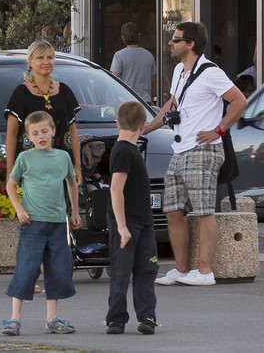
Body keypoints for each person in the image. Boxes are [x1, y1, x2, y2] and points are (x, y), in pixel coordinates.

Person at [144, 20, 248, 287]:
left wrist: (219, 130)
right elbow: (172, 103)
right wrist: (147, 127)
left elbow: (239, 100)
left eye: (175, 39)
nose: (170, 43)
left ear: (190, 44)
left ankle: (204, 272)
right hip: (179, 149)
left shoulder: (211, 72)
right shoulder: (179, 70)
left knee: (203, 212)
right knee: (173, 211)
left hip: (202, 150)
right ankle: (180, 270)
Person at [2, 111, 81, 336]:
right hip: (32, 223)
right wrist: (19, 208)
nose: (41, 136)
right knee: (26, 268)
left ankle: (52, 318)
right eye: (35, 133)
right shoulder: (25, 159)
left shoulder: (62, 157)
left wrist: (74, 211)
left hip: (57, 223)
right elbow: (11, 185)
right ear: (28, 136)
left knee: (56, 270)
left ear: (53, 131)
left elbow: (72, 184)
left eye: (45, 131)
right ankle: (14, 318)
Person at [106, 99, 158, 335]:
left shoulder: (128, 149)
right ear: (143, 125)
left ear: (117, 123)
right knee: (122, 269)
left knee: (146, 268)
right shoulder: (124, 151)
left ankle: (147, 316)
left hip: (144, 221)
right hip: (127, 223)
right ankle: (116, 318)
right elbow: (116, 189)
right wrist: (122, 226)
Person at [5, 39, 83, 178]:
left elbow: (73, 131)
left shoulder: (64, 91)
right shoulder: (21, 93)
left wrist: (77, 166)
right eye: (40, 57)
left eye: (50, 57)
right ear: (30, 62)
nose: (46, 61)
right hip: (32, 169)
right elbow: (11, 134)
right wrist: (10, 173)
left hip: (62, 167)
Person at [110, 22, 156, 103]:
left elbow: (114, 80)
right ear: (139, 35)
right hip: (145, 101)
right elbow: (152, 82)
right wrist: (151, 99)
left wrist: (114, 100)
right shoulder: (149, 56)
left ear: (123, 38)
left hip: (125, 101)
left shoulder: (119, 55)